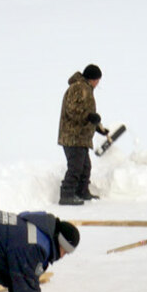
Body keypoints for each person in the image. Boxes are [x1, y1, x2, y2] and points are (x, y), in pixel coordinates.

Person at [58, 63, 110, 205]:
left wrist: (99, 128)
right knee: (76, 167)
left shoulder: (86, 89)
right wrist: (90, 117)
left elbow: (86, 114)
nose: (98, 83)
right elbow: (72, 110)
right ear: (92, 78)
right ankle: (66, 195)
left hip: (81, 138)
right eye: (97, 80)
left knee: (85, 167)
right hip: (72, 137)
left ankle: (81, 191)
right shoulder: (78, 87)